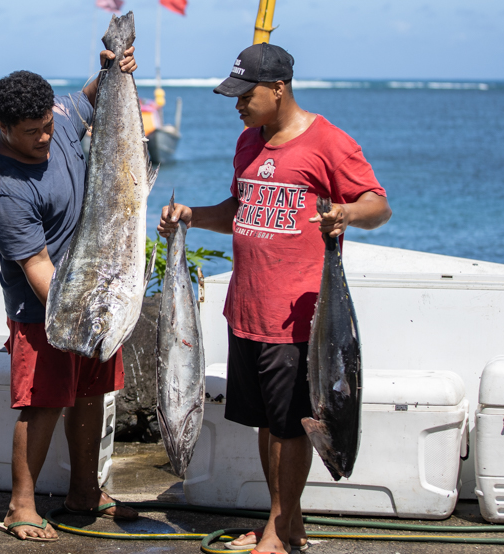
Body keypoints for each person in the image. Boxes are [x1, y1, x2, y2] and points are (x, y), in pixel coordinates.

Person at [158, 43, 391, 554]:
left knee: (290, 429)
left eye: (246, 95)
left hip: (298, 316)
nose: (237, 105)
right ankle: (288, 521)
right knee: (267, 425)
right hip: (246, 309)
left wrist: (346, 216)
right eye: (234, 95)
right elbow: (238, 210)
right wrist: (191, 215)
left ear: (279, 88)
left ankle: (276, 533)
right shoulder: (247, 142)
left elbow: (378, 204)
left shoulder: (328, 142)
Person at [0, 48, 141, 541]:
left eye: (47, 124)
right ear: (5, 128)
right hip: (43, 309)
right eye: (32, 132)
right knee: (45, 402)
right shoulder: (3, 193)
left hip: (94, 293)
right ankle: (20, 507)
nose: (45, 137)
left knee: (91, 394)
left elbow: (91, 98)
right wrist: (83, 319)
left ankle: (85, 492)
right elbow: (39, 268)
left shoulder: (63, 118)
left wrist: (113, 69)